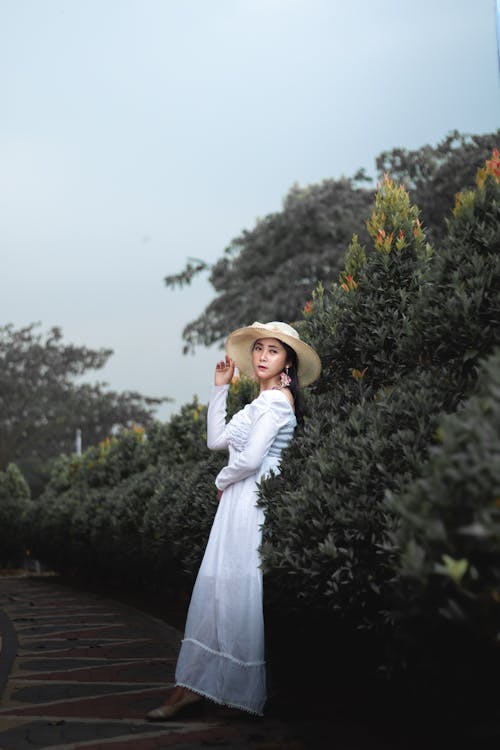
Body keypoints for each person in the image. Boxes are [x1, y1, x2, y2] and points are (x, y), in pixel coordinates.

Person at [146, 321, 321, 720]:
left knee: (236, 588)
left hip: (252, 498)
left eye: (273, 351)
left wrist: (222, 479)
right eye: (259, 349)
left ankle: (211, 687)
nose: (262, 356)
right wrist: (220, 387)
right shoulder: (260, 403)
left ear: (287, 362)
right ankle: (195, 685)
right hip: (240, 496)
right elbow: (217, 441)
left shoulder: (277, 402)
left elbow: (251, 459)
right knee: (218, 585)